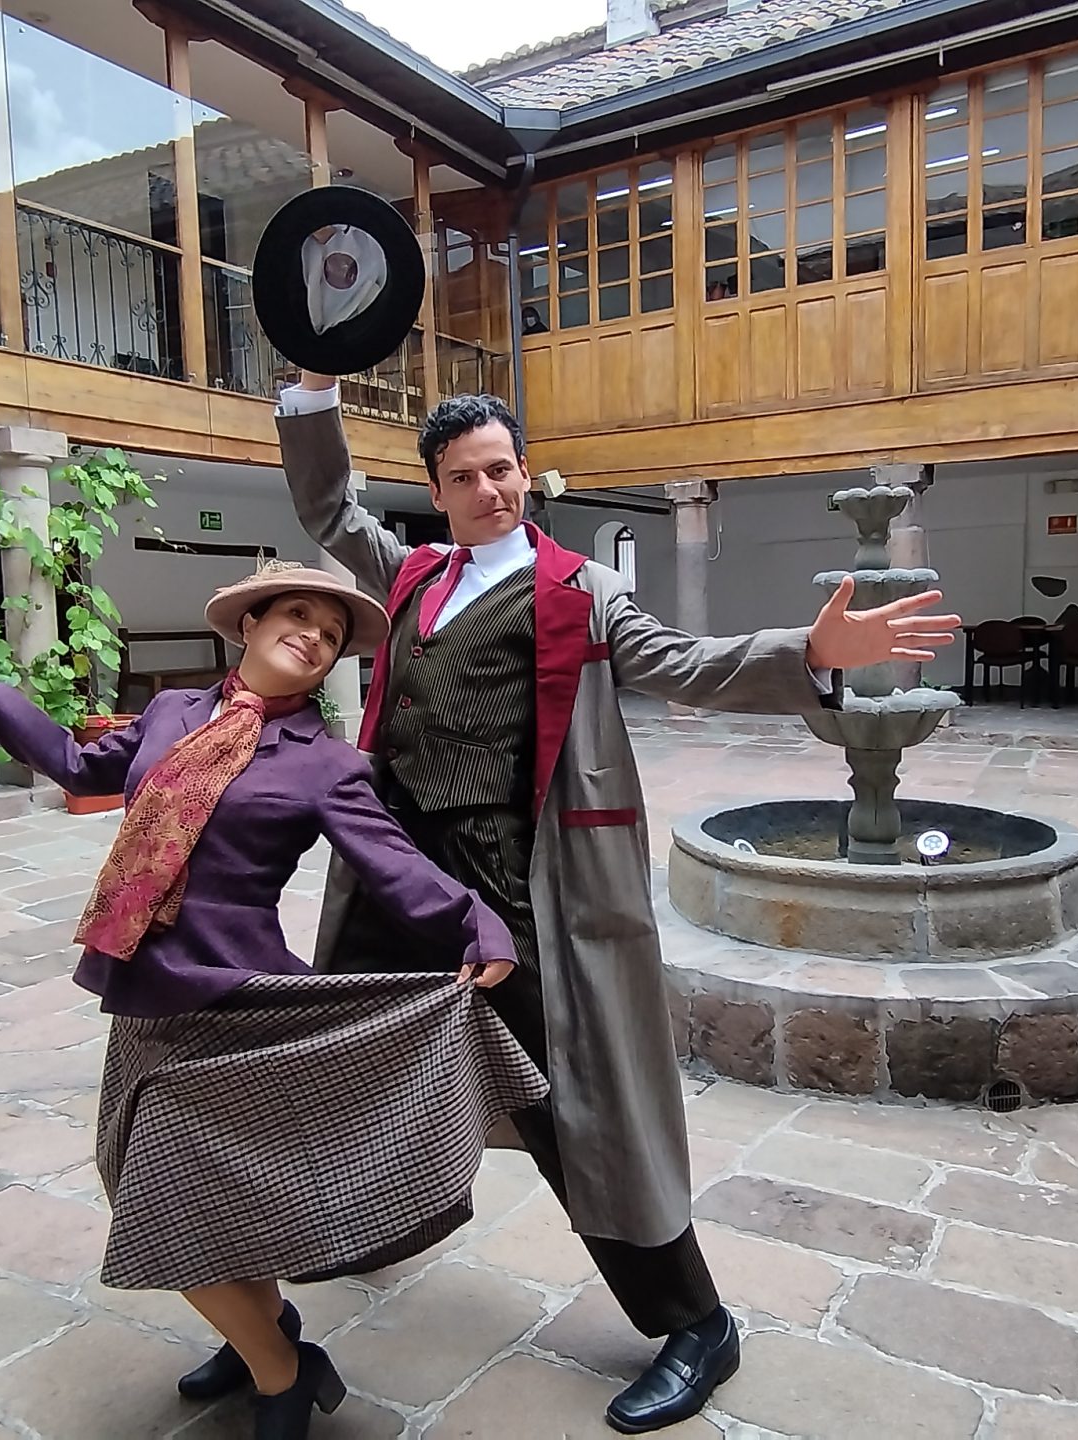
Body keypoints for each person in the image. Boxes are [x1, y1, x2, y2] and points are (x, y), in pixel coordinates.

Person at [277, 370, 956, 1432]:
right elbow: (327, 508)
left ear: (525, 474)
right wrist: (313, 392)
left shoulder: (579, 590)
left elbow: (683, 665)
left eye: (502, 469)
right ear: (438, 492)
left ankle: (695, 1322)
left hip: (511, 886)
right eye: (465, 477)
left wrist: (814, 653)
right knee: (339, 1055)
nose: (490, 490)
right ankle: (338, 1241)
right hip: (395, 870)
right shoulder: (410, 573)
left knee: (572, 1102)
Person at [0, 563, 543, 1440]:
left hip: (234, 998)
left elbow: (392, 864)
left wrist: (477, 924)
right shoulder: (172, 714)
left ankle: (284, 1373)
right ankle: (259, 1332)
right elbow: (82, 768)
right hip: (145, 985)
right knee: (148, 1178)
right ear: (251, 624)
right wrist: (0, 703)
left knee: (161, 1201)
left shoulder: (325, 764)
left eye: (331, 636)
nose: (312, 636)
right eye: (296, 616)